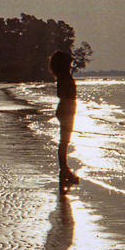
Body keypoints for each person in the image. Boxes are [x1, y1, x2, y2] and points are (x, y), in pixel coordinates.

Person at [49, 50, 79, 189]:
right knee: (64, 141)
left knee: (64, 141)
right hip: (67, 108)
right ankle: (64, 171)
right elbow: (64, 94)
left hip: (66, 108)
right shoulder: (64, 76)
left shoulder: (63, 76)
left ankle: (64, 170)